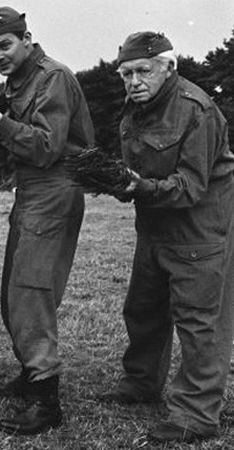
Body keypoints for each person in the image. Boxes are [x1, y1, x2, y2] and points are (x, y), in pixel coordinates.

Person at [103, 31, 234, 444]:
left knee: (198, 322)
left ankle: (196, 414)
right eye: (126, 73)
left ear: (169, 67)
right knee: (142, 308)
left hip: (199, 229)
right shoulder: (136, 107)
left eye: (143, 70)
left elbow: (192, 187)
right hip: (155, 227)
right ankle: (141, 384)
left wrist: (137, 187)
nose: (134, 81)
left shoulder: (197, 109)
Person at [0, 6, 94, 434]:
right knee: (12, 292)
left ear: (26, 38)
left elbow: (45, 147)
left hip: (55, 188)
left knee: (30, 293)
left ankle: (46, 401)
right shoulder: (20, 80)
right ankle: (30, 372)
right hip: (32, 190)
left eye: (5, 45)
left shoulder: (51, 77)